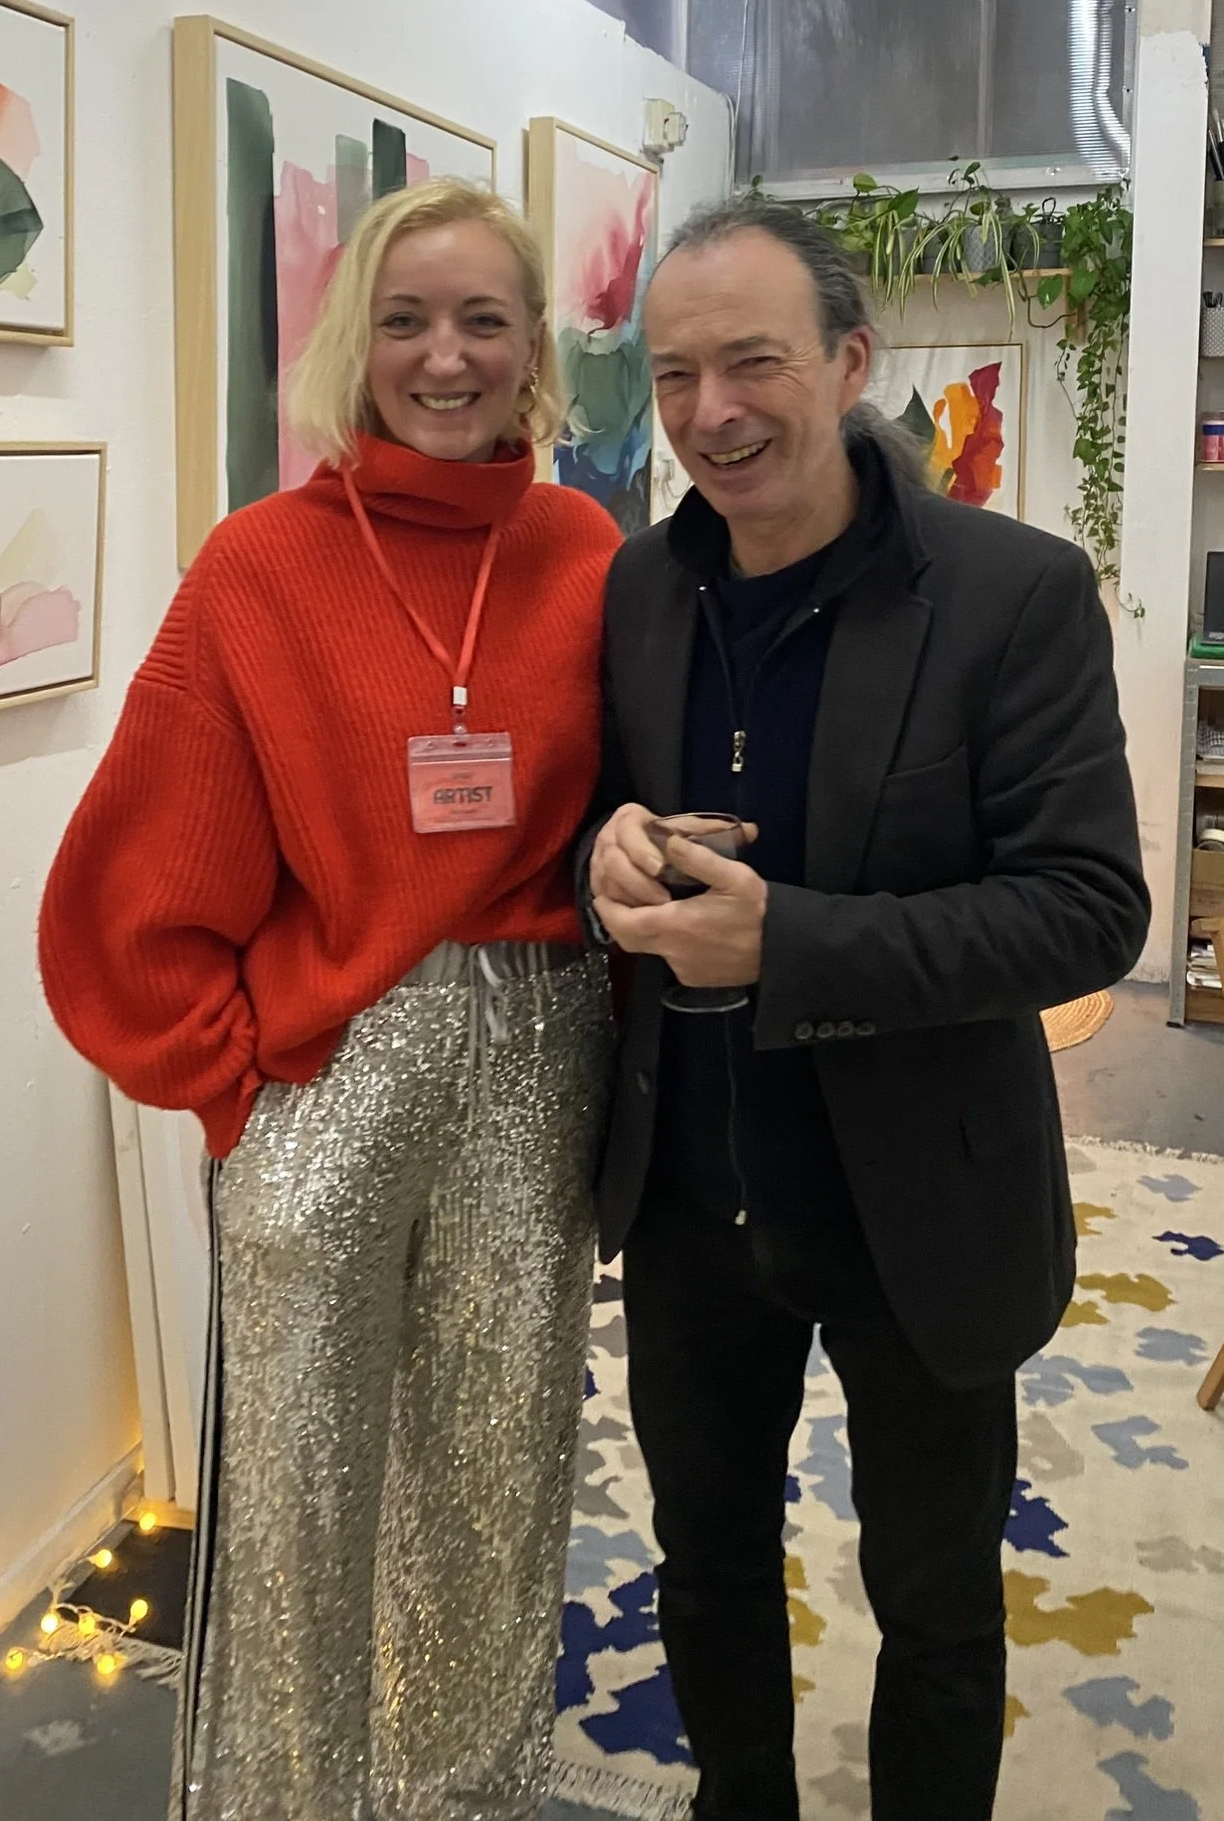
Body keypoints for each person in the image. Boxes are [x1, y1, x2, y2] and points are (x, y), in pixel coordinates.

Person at [39, 179, 622, 1821]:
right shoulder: (259, 565)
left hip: (539, 1057)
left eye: (483, 320)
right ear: (353, 340)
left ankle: (462, 1797)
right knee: (296, 1496)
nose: (444, 358)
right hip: (329, 1067)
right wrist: (234, 1080)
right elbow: (143, 867)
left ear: (532, 348)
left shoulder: (588, 553)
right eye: (405, 319)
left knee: (494, 1482)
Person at [584, 197, 1150, 1821]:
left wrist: (791, 944)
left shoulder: (1012, 592)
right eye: (674, 373)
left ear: (847, 362)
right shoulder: (638, 589)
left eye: (751, 362)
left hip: (922, 1196)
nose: (709, 412)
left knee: (935, 1598)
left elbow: (1087, 909)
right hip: (690, 1194)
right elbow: (600, 819)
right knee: (704, 1567)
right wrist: (599, 850)